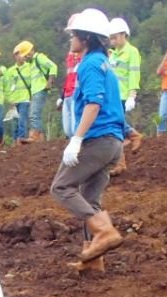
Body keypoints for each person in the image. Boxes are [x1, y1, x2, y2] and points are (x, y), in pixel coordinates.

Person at [51, 7, 125, 275]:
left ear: (86, 37)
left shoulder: (90, 64)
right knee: (89, 199)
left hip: (98, 139)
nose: (71, 39)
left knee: (61, 187)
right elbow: (113, 104)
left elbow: (94, 104)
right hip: (112, 142)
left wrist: (77, 139)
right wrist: (128, 132)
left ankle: (104, 231)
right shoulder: (105, 64)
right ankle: (93, 260)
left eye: (74, 35)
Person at [107, 17, 143, 176]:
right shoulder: (113, 54)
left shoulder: (132, 52)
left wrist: (132, 95)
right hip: (112, 95)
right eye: (111, 38)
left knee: (115, 127)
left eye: (115, 37)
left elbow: (134, 74)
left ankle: (120, 162)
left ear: (124, 35)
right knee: (115, 126)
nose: (112, 41)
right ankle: (133, 135)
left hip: (122, 95)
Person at [16, 40, 58, 141]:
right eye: (24, 55)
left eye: (27, 54)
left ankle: (34, 136)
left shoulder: (39, 58)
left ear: (32, 51)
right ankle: (39, 137)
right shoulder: (31, 63)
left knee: (34, 114)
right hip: (35, 91)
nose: (26, 57)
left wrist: (50, 81)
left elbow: (53, 66)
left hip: (41, 89)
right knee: (35, 114)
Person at [8, 45, 33, 142]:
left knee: (22, 119)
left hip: (25, 98)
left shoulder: (29, 67)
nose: (22, 56)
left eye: (23, 54)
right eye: (20, 54)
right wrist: (10, 100)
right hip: (14, 100)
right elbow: (8, 87)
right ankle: (15, 140)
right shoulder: (10, 71)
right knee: (14, 121)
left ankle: (21, 137)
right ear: (15, 56)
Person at [60, 38, 83, 138]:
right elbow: (68, 78)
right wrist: (62, 96)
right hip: (67, 94)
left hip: (75, 93)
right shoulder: (71, 60)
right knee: (68, 130)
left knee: (75, 125)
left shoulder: (83, 60)